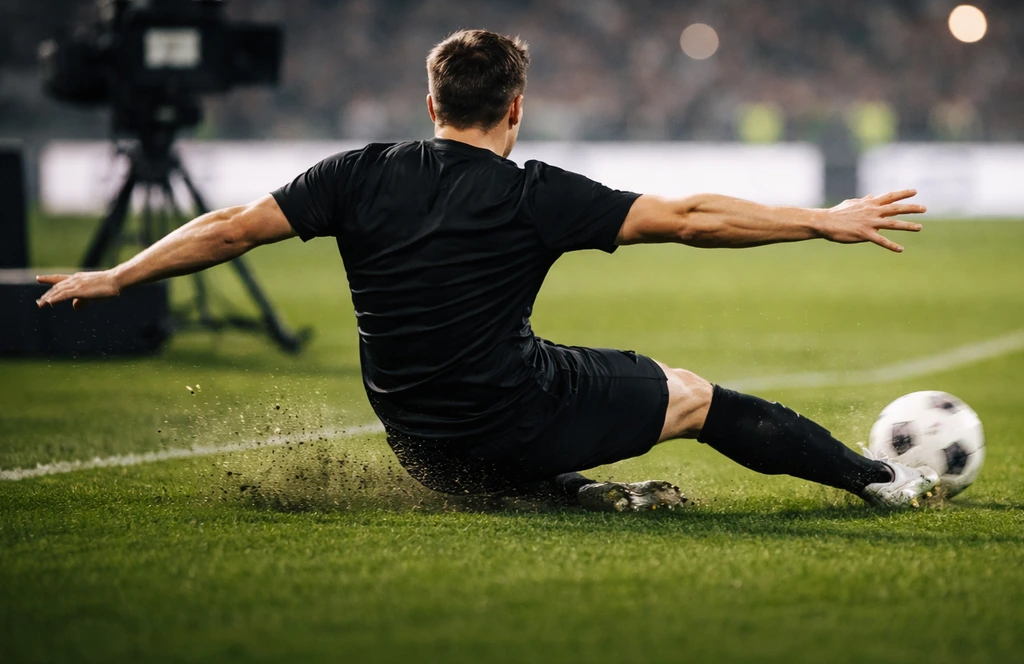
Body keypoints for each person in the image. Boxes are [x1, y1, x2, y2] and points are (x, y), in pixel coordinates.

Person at [36, 30, 939, 512]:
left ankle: (580, 496)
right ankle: (878, 482)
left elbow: (231, 229)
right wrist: (822, 220)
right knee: (694, 397)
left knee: (527, 401)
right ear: (516, 108)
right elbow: (690, 218)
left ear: (431, 103)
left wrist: (118, 276)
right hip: (511, 419)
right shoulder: (534, 192)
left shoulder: (355, 173)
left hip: (422, 447)